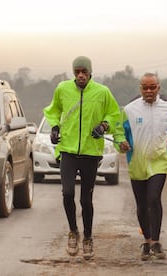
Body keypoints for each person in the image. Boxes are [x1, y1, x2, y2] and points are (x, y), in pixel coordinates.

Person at [43, 56, 123, 260]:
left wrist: (104, 126)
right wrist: (54, 127)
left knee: (85, 199)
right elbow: (53, 111)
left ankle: (88, 237)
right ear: (73, 72)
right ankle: (73, 231)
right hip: (68, 151)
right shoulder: (62, 89)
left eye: (84, 72)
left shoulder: (102, 92)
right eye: (77, 71)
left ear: (90, 73)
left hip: (90, 152)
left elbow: (114, 114)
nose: (80, 75)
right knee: (67, 193)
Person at [117, 72, 167, 261]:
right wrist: (121, 142)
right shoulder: (129, 109)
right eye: (145, 87)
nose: (149, 91)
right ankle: (147, 240)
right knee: (142, 204)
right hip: (136, 162)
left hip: (159, 161)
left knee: (154, 198)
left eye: (152, 87)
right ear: (140, 89)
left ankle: (156, 241)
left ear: (158, 88)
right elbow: (119, 132)